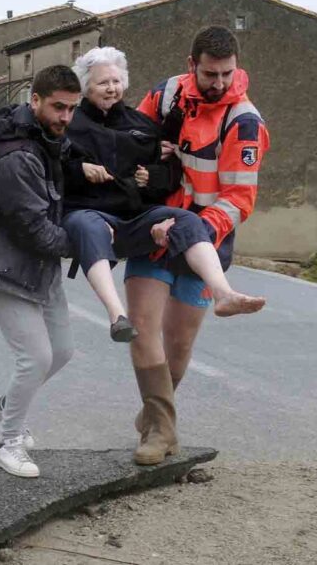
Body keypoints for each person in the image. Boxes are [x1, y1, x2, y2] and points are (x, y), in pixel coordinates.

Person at [119, 26, 271, 466]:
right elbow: (131, 142)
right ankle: (162, 431)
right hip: (152, 228)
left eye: (226, 73)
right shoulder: (165, 95)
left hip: (206, 238)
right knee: (143, 329)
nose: (219, 83)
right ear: (192, 66)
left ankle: (153, 415)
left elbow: (240, 198)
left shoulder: (244, 122)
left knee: (179, 343)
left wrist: (192, 232)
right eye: (210, 73)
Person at [61, 47, 265, 344]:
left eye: (116, 81)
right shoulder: (70, 126)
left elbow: (170, 174)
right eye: (102, 82)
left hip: (136, 218)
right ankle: (117, 315)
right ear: (84, 86)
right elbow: (53, 169)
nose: (111, 88)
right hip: (91, 214)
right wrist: (80, 170)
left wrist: (155, 177)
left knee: (185, 220)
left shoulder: (142, 126)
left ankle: (224, 293)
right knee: (86, 225)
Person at [0, 65, 81, 478]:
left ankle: (7, 405)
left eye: (71, 109)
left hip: (36, 265)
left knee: (61, 351)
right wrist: (88, 244)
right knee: (36, 357)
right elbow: (31, 227)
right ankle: (8, 443)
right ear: (35, 101)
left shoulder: (48, 140)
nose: (65, 117)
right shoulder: (16, 154)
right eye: (58, 107)